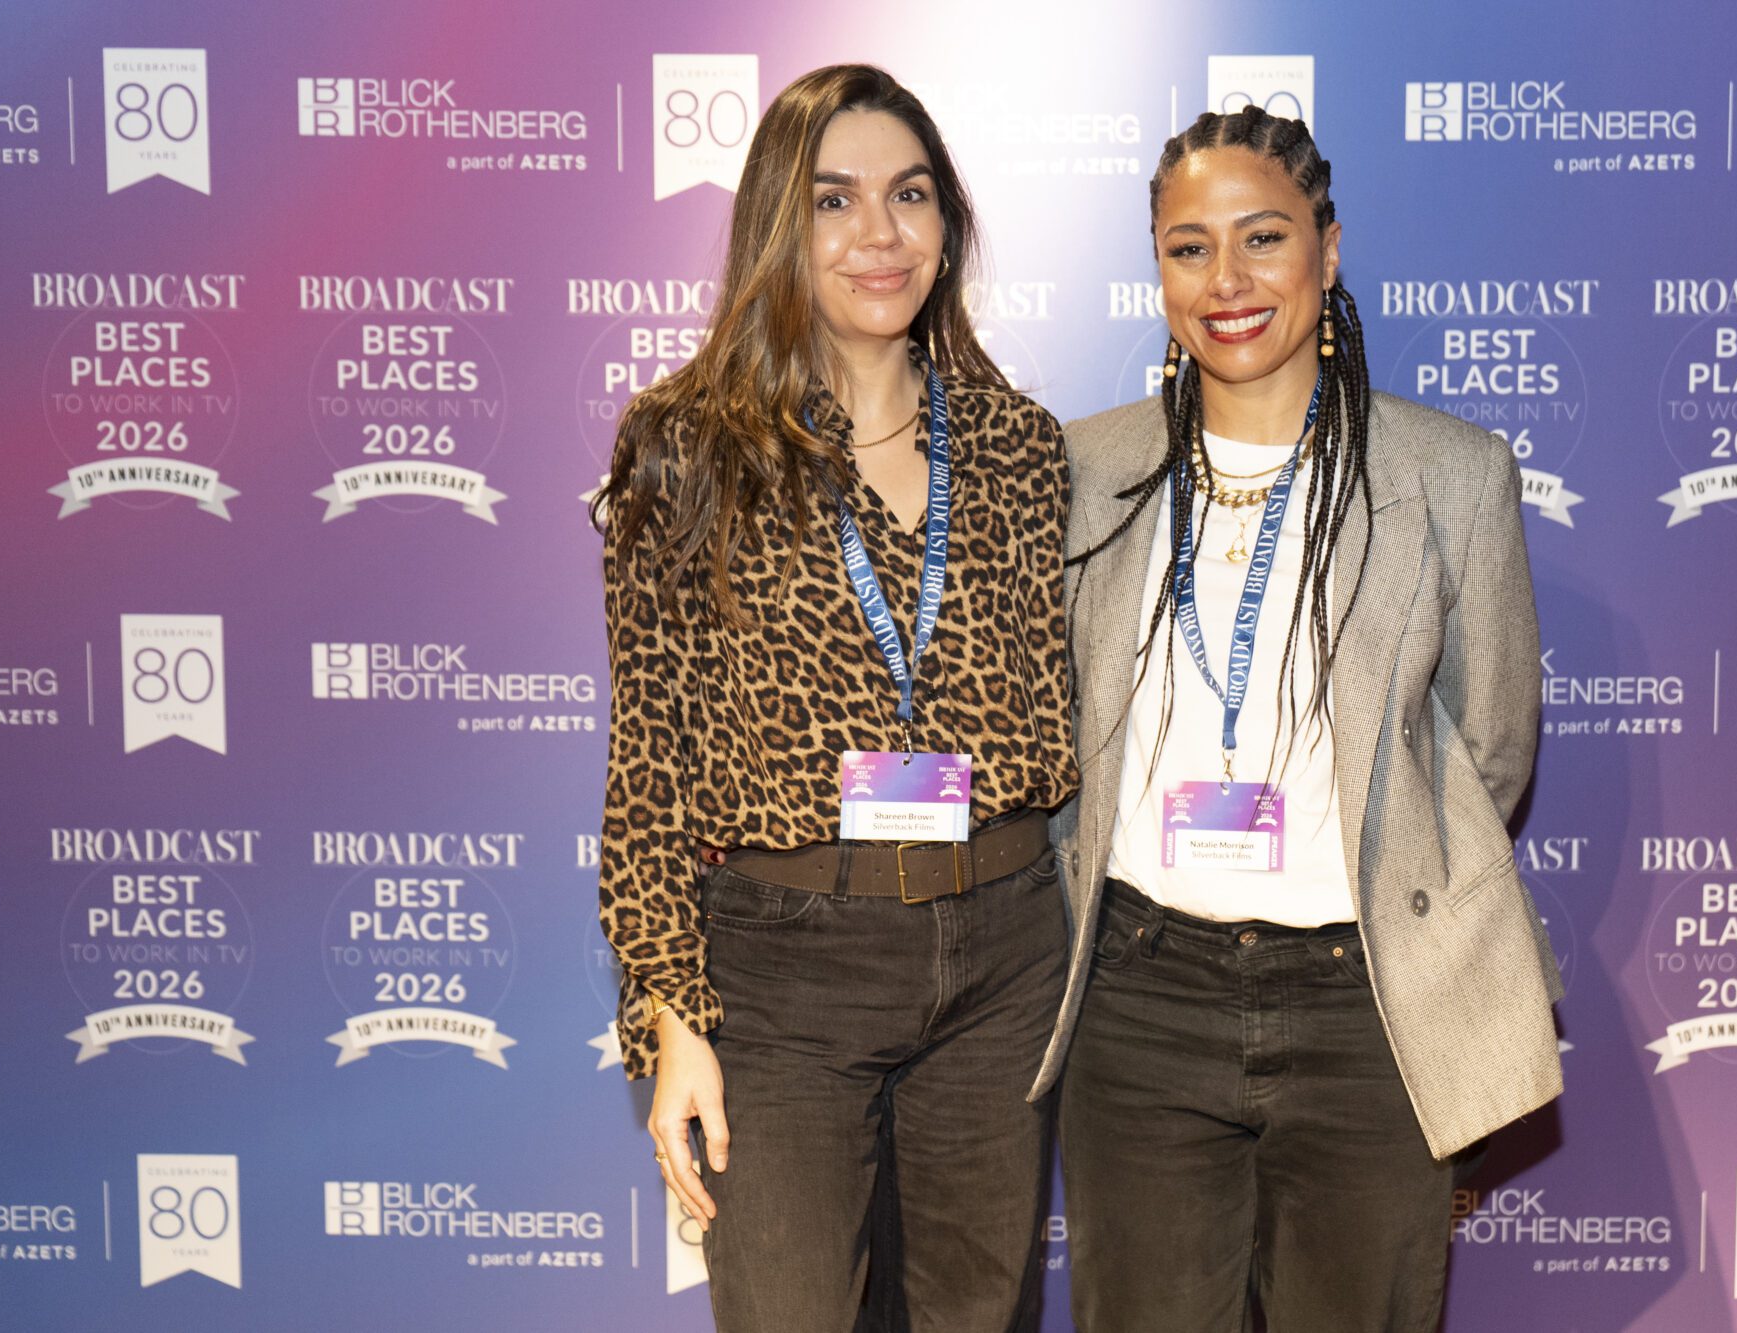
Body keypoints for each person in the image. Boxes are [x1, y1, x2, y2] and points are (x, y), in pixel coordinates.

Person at [1033, 106, 1563, 1331]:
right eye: (1188, 248)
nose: (1225, 279)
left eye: (1261, 237)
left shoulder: (1449, 473)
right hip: (1137, 996)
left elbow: (1486, 745)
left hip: (1366, 1000)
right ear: (1157, 271)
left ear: (1326, 249)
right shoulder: (1079, 470)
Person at [593, 64, 1076, 1333]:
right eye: (834, 200)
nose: (880, 234)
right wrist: (672, 1019)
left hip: (1003, 950)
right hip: (783, 970)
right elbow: (647, 765)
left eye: (909, 195)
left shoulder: (1020, 447)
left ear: (947, 225)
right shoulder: (686, 448)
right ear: (778, 223)